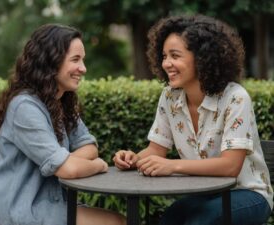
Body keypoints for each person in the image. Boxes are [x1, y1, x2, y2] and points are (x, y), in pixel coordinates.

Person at [113, 15, 273, 225]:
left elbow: (230, 166)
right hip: (205, 194)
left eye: (175, 55)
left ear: (202, 57)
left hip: (249, 194)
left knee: (200, 221)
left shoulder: (235, 97)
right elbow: (156, 150)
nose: (167, 63)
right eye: (164, 56)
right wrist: (133, 159)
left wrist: (172, 166)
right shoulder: (170, 97)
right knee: (169, 220)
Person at [0, 24, 126, 225]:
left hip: (52, 206)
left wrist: (65, 162)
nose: (83, 68)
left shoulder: (61, 101)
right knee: (116, 222)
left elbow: (89, 147)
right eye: (75, 60)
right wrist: (97, 165)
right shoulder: (25, 106)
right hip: (24, 212)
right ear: (51, 62)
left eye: (83, 60)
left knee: (118, 220)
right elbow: (70, 169)